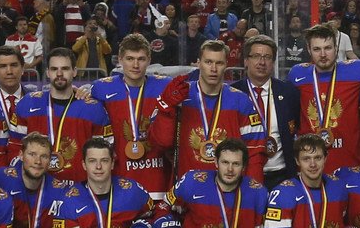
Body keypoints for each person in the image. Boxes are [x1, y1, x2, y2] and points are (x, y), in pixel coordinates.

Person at [149, 39, 268, 178]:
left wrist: (252, 189)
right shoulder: (180, 96)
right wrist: (167, 109)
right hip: (187, 188)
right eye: (208, 62)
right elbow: (161, 143)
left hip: (228, 190)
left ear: (226, 65)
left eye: (219, 63)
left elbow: (255, 151)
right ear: (198, 63)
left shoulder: (241, 101)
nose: (213, 69)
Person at [91, 33, 174, 197]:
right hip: (120, 180)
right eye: (130, 59)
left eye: (141, 59)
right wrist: (75, 92)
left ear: (149, 60)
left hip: (158, 181)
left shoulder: (165, 86)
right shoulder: (101, 89)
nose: (135, 65)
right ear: (120, 60)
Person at [14, 47, 110, 182]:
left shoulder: (93, 108)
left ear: (74, 71)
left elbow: (104, 151)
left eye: (65, 69)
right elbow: (15, 147)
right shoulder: (28, 103)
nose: (59, 73)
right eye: (54, 69)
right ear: (47, 72)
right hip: (37, 186)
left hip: (79, 188)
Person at [289, 22, 360, 173]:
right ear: (309, 50)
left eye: (327, 48)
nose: (322, 54)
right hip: (312, 168)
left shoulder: (358, 70)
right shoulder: (297, 75)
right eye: (317, 49)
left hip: (351, 165)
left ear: (336, 48)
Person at [236, 35, 301, 187]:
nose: (262, 62)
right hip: (243, 176)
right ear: (246, 61)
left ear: (273, 62)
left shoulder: (288, 92)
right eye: (256, 56)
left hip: (282, 176)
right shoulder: (233, 93)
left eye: (267, 57)